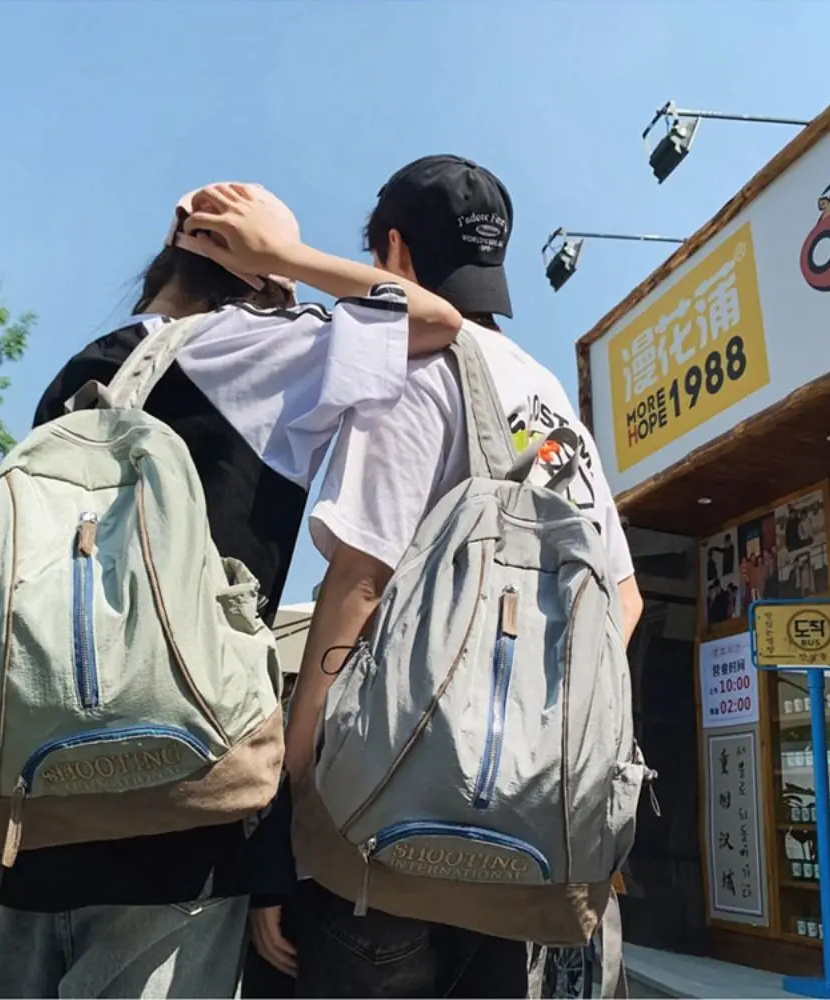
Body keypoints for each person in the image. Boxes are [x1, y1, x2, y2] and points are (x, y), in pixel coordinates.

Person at [0, 181, 462, 999]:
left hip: (27, 819)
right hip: (179, 829)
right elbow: (433, 321)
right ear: (253, 273)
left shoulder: (79, 379)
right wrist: (288, 262)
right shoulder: (256, 346)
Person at [253, 155, 643, 997]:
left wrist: (296, 796)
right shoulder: (554, 407)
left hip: (385, 830)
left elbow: (359, 582)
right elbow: (623, 600)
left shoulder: (419, 369)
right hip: (521, 849)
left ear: (393, 253)